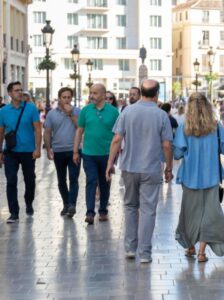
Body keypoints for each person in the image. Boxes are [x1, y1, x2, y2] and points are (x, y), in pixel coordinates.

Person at [106, 79, 174, 264]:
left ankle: (130, 248)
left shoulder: (128, 111)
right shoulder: (161, 115)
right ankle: (145, 253)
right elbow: (167, 145)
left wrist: (110, 163)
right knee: (148, 210)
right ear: (157, 94)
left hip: (129, 167)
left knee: (129, 207)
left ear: (142, 92)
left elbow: (117, 139)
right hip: (151, 168)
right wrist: (169, 167)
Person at [173, 92, 224, 263]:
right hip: (211, 176)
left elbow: (178, 153)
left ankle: (191, 247)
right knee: (210, 213)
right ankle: (202, 252)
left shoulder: (183, 127)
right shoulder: (215, 126)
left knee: (189, 212)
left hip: (189, 177)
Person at [73, 83, 119, 225]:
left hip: (106, 154)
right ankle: (90, 212)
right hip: (89, 154)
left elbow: (118, 135)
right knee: (91, 181)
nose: (91, 95)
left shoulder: (114, 112)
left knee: (105, 183)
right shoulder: (86, 110)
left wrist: (115, 156)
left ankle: (103, 210)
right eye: (91, 92)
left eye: (95, 93)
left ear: (104, 95)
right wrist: (75, 151)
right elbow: (79, 131)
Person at [0, 81, 42, 223]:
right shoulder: (3, 111)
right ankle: (14, 213)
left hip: (28, 151)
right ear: (10, 93)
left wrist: (37, 148)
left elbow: (37, 129)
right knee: (11, 181)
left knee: (30, 180)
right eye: (16, 90)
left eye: (21, 90)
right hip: (10, 151)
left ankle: (28, 201)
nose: (20, 92)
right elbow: (0, 133)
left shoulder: (30, 109)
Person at [44, 87, 81, 218]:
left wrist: (71, 114)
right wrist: (48, 149)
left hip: (74, 150)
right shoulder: (51, 114)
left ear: (71, 98)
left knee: (73, 178)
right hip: (58, 151)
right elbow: (47, 132)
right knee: (61, 180)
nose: (66, 100)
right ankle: (66, 203)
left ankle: (72, 205)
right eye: (63, 97)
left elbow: (80, 128)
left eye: (68, 97)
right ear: (59, 98)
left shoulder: (77, 111)